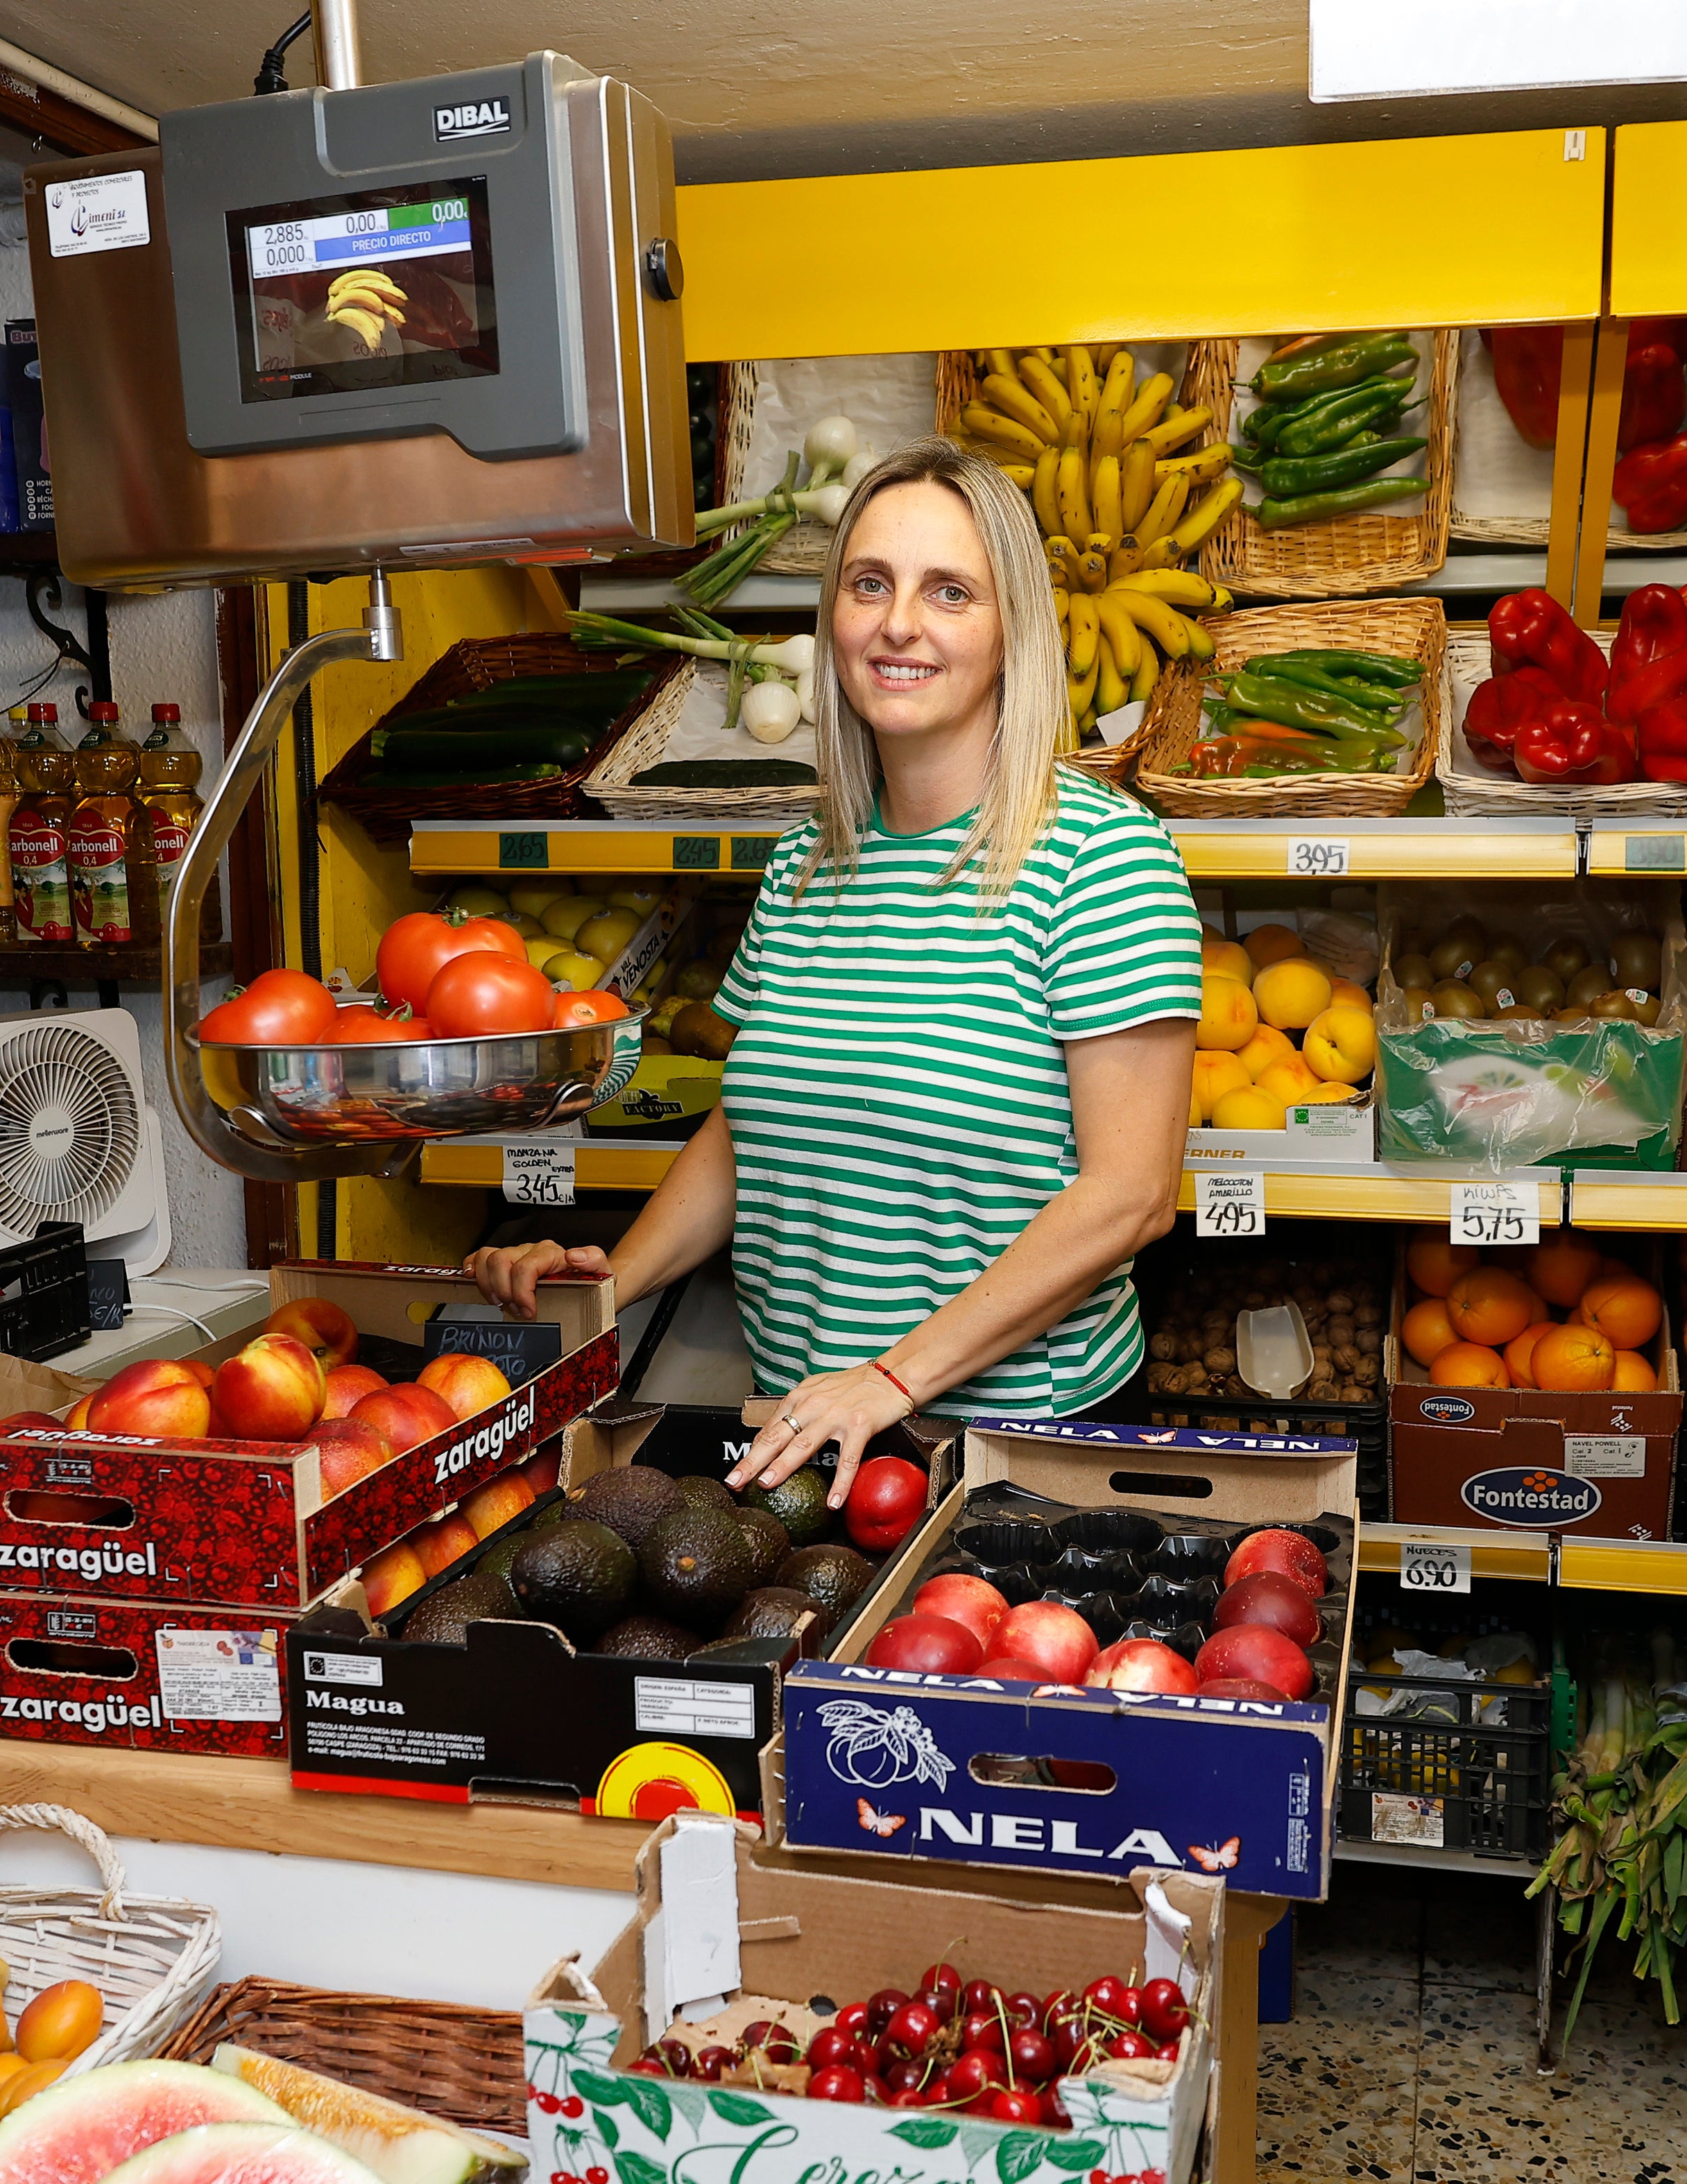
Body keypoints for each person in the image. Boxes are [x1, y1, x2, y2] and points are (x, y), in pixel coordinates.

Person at [468, 437, 1199, 1503]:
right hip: (808, 1429)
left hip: (1015, 1458)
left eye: (949, 591)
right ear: (835, 620)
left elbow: (1130, 1197)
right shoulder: (809, 862)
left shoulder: (1101, 859)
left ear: (1011, 633)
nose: (900, 622)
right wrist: (614, 1282)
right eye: (870, 584)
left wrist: (894, 1378)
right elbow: (748, 1123)